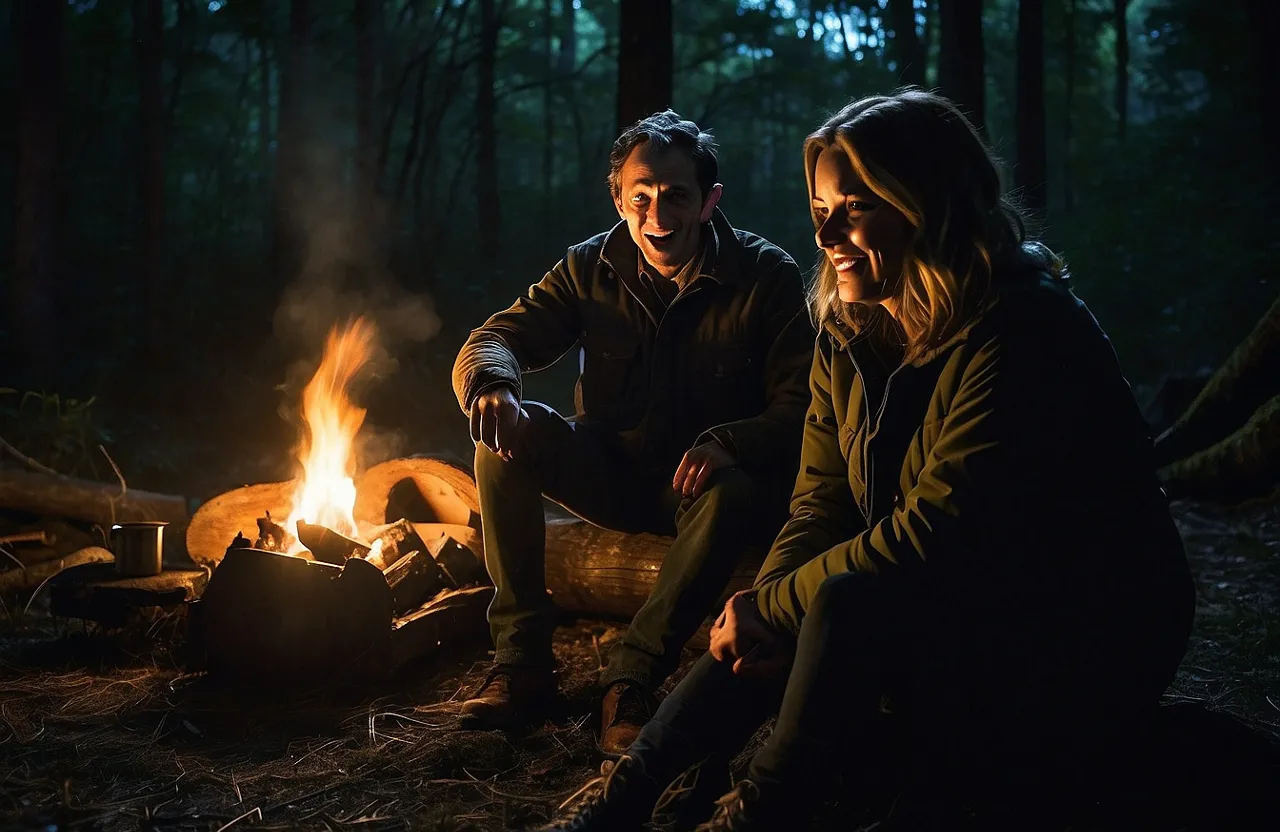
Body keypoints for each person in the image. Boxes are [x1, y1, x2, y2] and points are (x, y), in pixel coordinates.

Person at [536, 89, 1196, 831]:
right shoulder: (854, 325)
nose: (826, 233)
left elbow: (931, 533)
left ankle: (761, 807)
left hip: (1076, 634)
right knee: (814, 597)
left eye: (855, 206)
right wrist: (771, 607)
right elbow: (824, 501)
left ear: (929, 203)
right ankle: (631, 789)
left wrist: (773, 604)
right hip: (944, 601)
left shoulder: (1025, 331)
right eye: (819, 208)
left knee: (843, 600)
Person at [451, 110, 814, 753]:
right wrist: (494, 386)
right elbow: (496, 337)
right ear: (619, 198)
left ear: (709, 202)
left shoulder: (767, 276)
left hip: (705, 494)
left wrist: (732, 441)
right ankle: (522, 663)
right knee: (502, 439)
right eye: (640, 196)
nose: (657, 214)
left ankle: (635, 676)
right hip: (612, 470)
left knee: (731, 492)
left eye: (676, 196)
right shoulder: (590, 266)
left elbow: (804, 408)